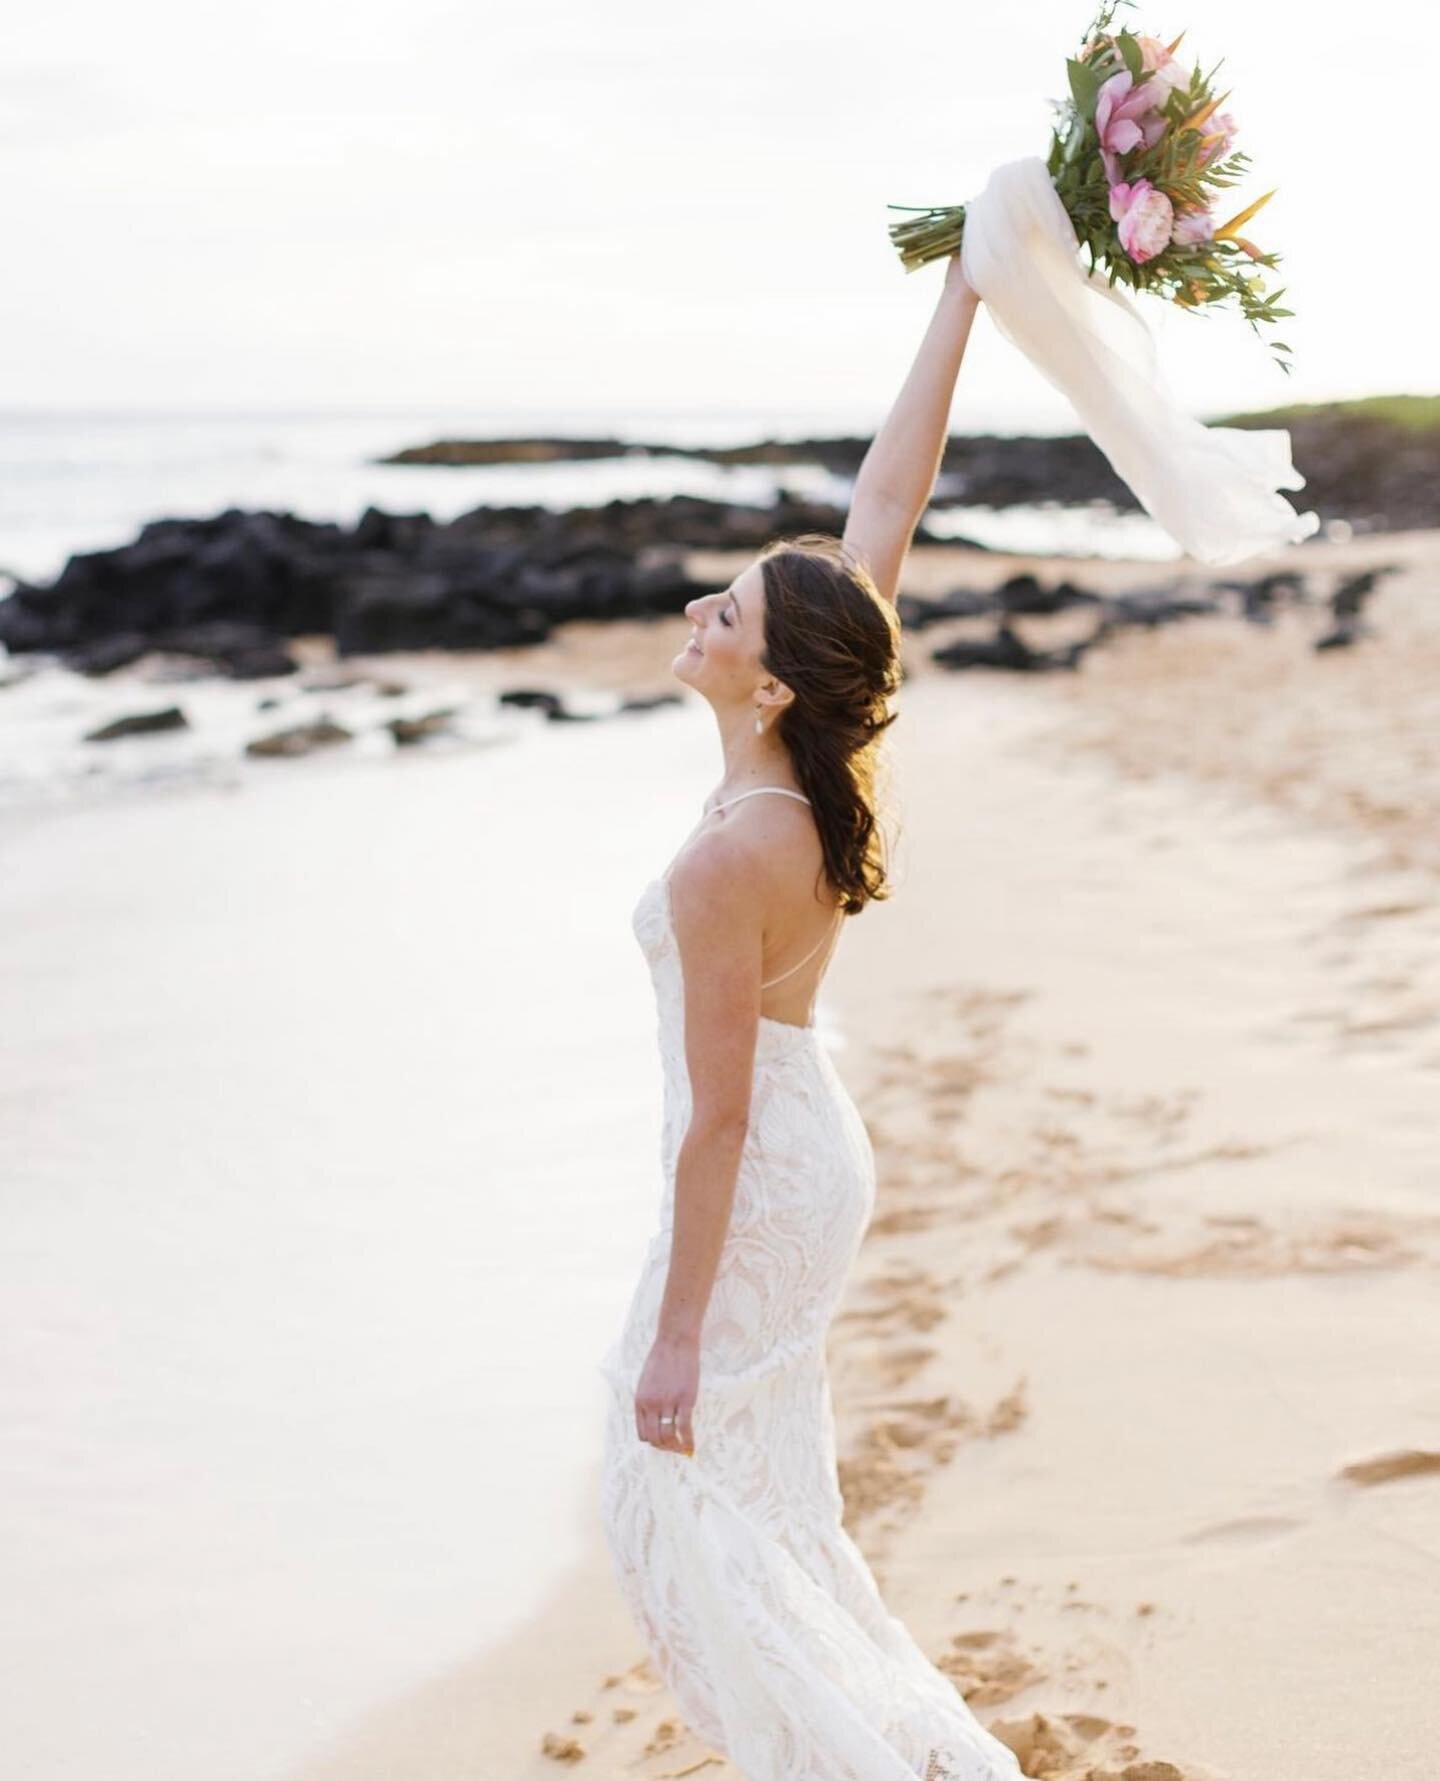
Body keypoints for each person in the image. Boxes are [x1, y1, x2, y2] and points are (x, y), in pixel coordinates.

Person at [597, 254, 1023, 1780]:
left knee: (673, 1474)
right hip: (808, 1146)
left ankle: (852, 1754)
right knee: (759, 1509)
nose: (704, 609)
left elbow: (715, 1117)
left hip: (765, 1166)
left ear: (772, 684)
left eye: (730, 611)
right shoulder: (824, 751)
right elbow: (886, 513)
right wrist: (964, 293)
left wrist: (678, 1329)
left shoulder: (729, 856)